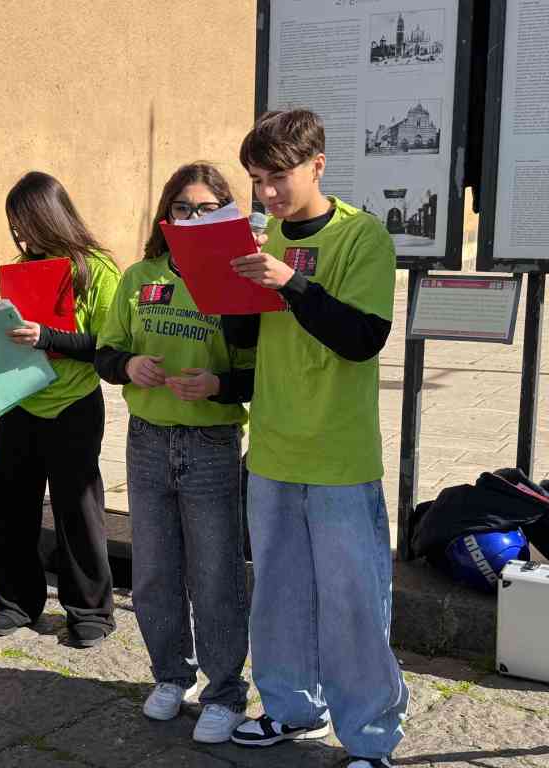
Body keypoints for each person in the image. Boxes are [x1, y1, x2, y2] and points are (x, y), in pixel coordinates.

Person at [229, 109, 407, 768]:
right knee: (277, 592)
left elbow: (362, 339)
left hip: (338, 454)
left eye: (278, 177)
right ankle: (289, 707)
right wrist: (227, 295)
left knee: (355, 601)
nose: (268, 193)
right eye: (257, 180)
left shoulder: (364, 237)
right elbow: (248, 341)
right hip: (273, 446)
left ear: (317, 165)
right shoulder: (260, 235)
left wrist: (289, 282)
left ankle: (369, 737)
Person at [94, 162, 255, 744]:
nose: (194, 217)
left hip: (210, 443)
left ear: (229, 214)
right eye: (184, 208)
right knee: (156, 572)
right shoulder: (139, 276)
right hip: (147, 440)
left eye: (208, 207)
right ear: (167, 218)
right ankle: (170, 674)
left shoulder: (241, 282)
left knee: (215, 575)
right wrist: (129, 366)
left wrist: (218, 385)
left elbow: (258, 375)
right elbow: (106, 353)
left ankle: (225, 692)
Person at [0, 171, 120, 648]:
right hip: (20, 401)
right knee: (10, 506)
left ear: (50, 217)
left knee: (78, 509)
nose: (20, 236)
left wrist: (47, 337)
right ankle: (16, 603)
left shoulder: (98, 270)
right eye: (14, 227)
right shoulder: (21, 269)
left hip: (73, 404)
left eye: (25, 224)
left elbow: (109, 345)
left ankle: (90, 610)